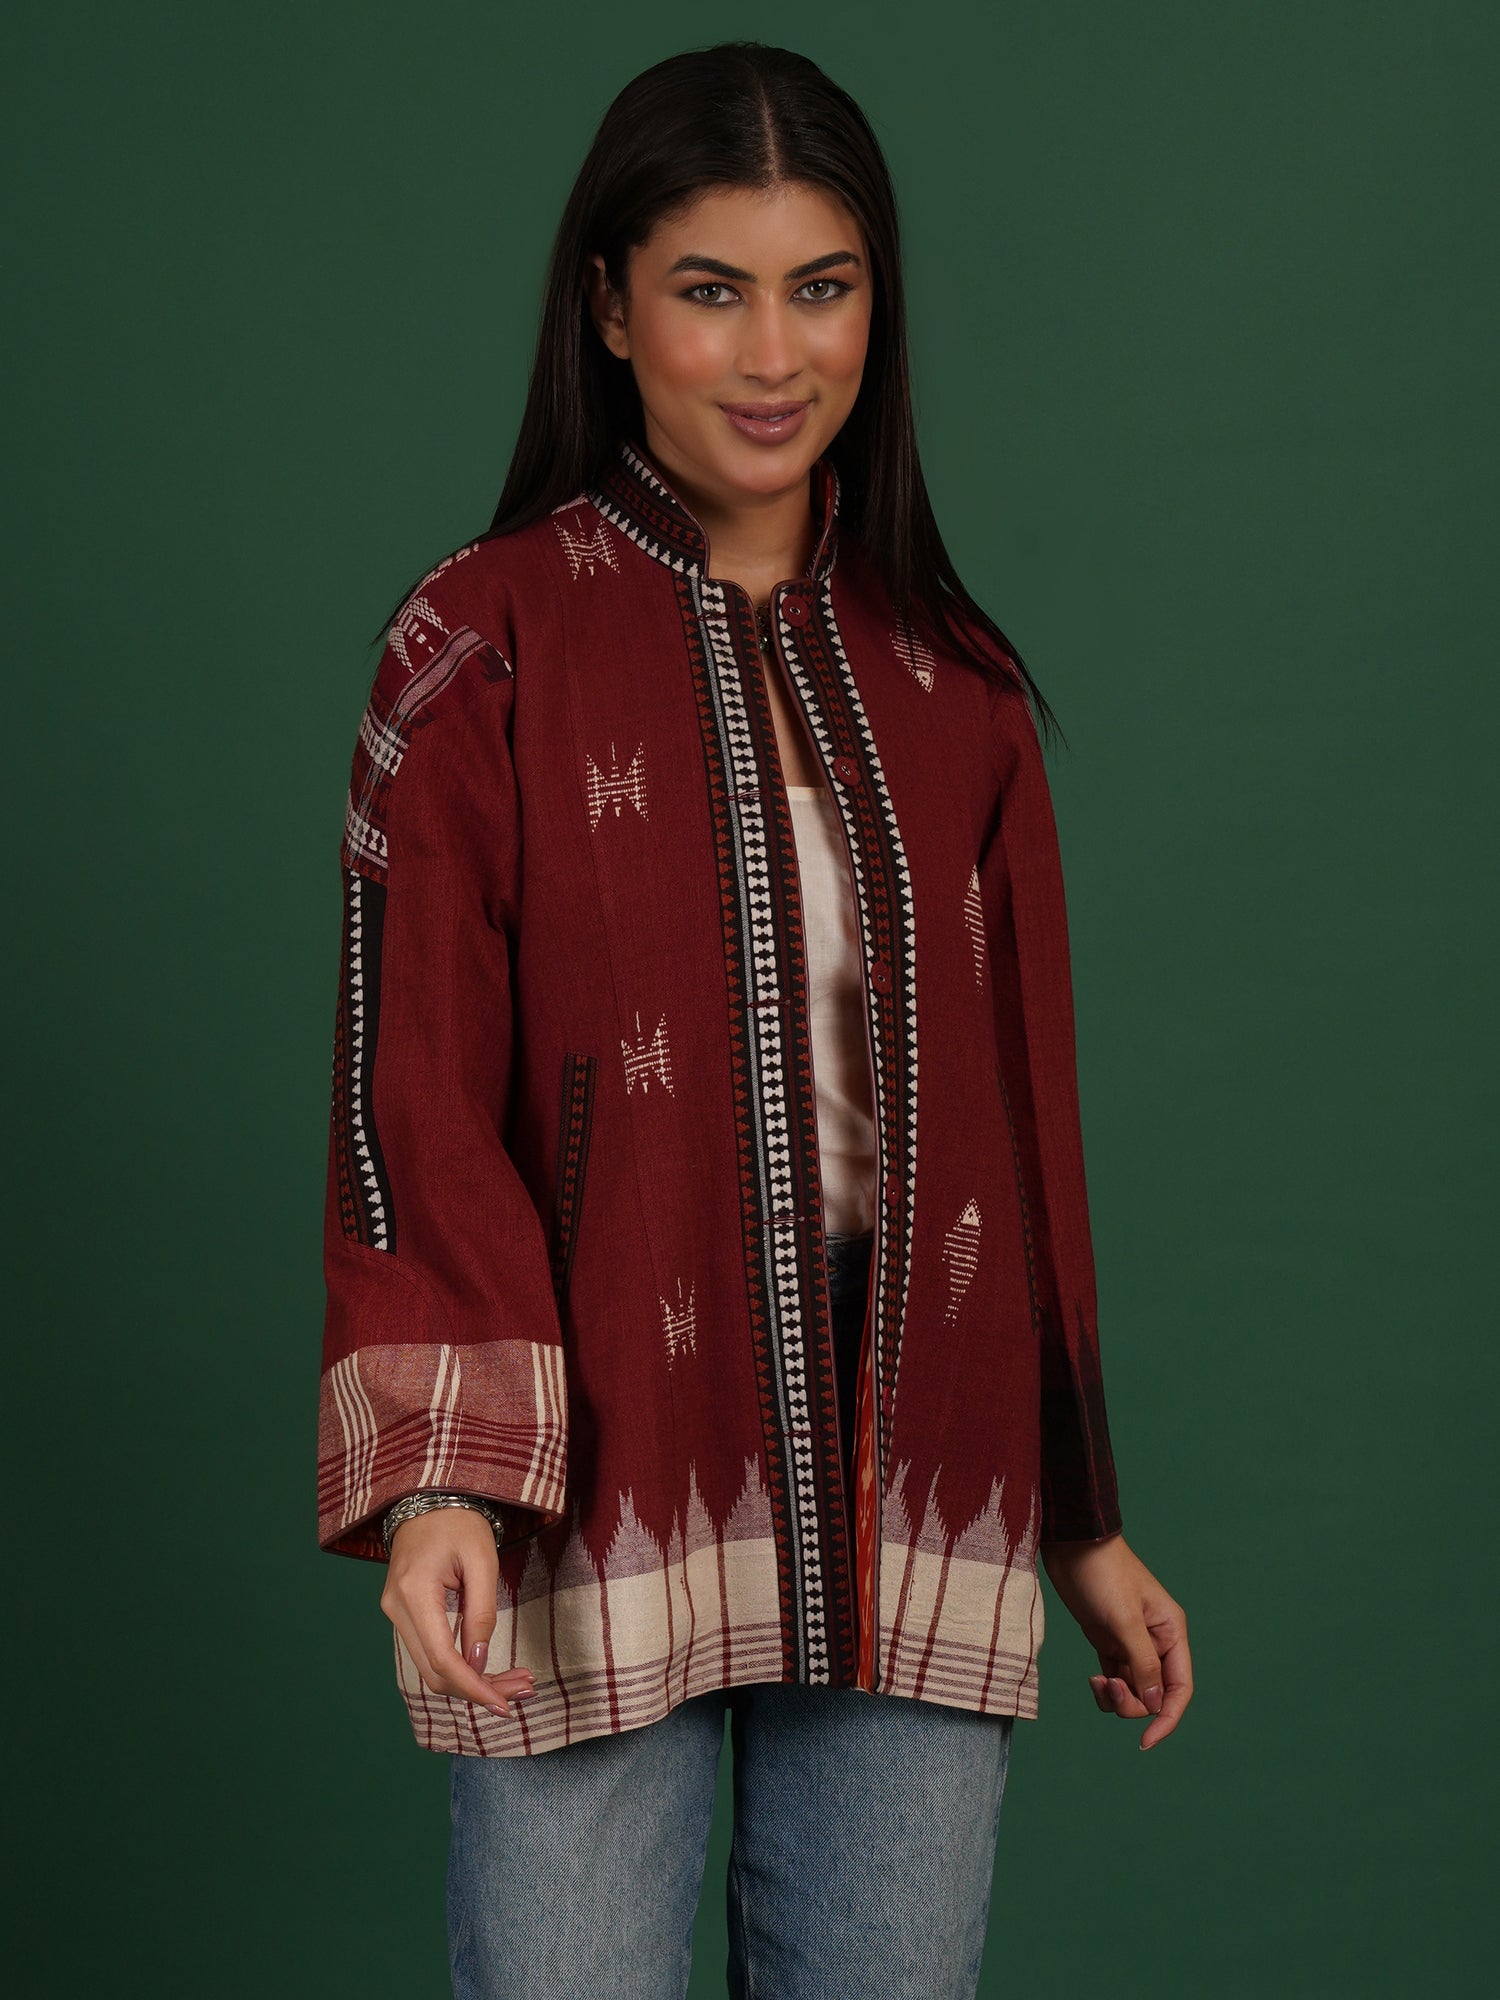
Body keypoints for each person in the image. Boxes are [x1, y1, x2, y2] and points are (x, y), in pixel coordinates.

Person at [315, 39, 1193, 2000]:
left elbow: (1025, 1126)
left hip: (916, 1466)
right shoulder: (483, 646)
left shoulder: (955, 684)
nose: (776, 353)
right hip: (598, 1466)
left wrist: (1082, 1518)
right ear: (612, 306)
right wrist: (442, 1477)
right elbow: (414, 1084)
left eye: (825, 286)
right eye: (713, 288)